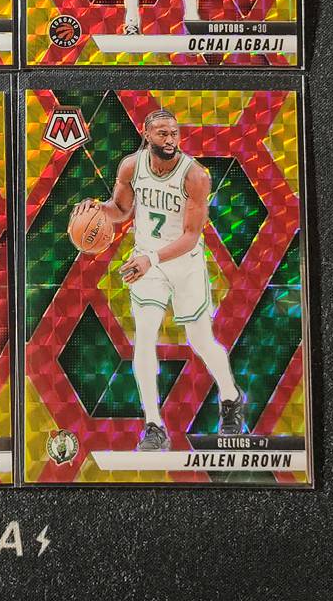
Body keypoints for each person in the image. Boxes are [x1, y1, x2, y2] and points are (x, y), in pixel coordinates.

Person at [72, 109, 243, 450]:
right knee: (145, 337)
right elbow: (122, 210)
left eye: (174, 133)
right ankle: (153, 425)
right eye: (163, 133)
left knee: (201, 341)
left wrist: (151, 259)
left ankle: (230, 396)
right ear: (147, 134)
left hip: (183, 263)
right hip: (146, 261)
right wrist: (97, 208)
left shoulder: (195, 176)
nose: (170, 139)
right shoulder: (131, 167)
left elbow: (191, 236)